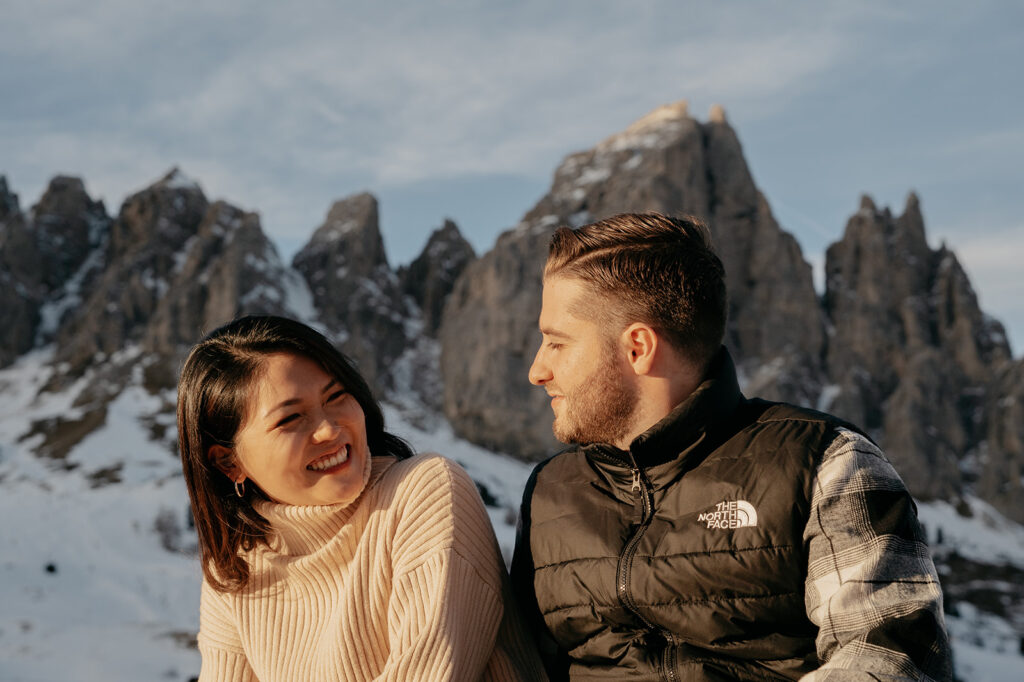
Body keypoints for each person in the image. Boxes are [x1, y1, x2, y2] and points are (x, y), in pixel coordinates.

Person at [510, 213, 952, 681]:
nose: (537, 371)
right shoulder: (550, 492)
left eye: (557, 343)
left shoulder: (823, 461)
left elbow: (887, 655)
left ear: (638, 347)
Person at [177, 315, 544, 682]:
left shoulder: (422, 493)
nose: (329, 429)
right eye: (291, 419)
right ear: (229, 463)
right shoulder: (234, 573)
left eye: (336, 396)